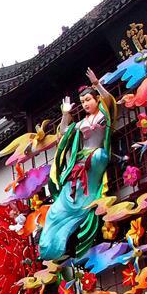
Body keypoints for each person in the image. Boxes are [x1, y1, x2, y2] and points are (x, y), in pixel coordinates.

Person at [39, 67, 116, 260]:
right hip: (79, 164)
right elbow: (65, 132)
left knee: (97, 156)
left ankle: (83, 203)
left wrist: (97, 85)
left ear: (96, 99)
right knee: (59, 206)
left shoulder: (103, 115)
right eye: (82, 102)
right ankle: (51, 245)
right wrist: (66, 113)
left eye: (88, 99)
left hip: (97, 157)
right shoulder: (81, 124)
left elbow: (110, 102)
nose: (85, 104)